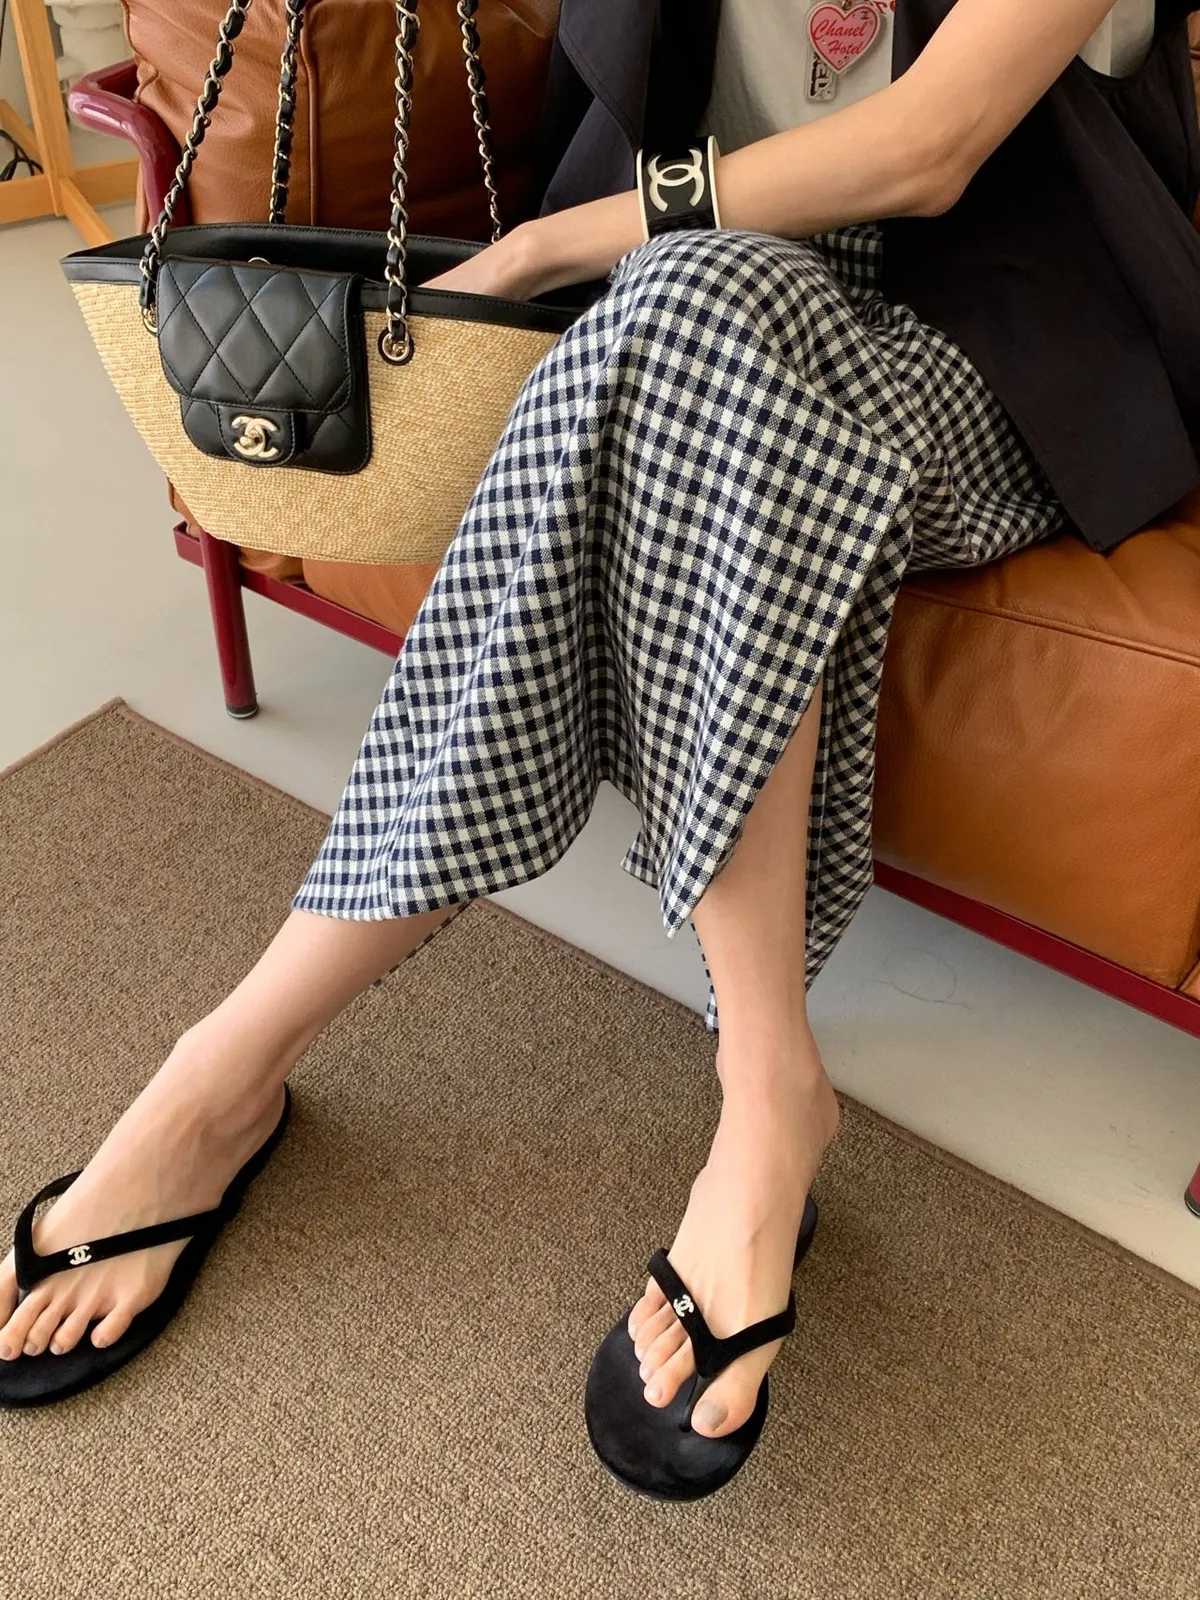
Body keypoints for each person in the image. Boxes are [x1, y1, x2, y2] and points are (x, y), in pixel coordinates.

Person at [2, 0, 1194, 1499]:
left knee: (684, 313)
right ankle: (763, 1089)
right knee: (692, 329)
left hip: (984, 340)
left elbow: (930, 145)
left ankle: (237, 1064)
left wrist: (540, 252)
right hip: (686, 318)